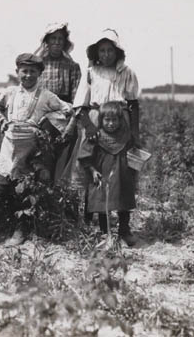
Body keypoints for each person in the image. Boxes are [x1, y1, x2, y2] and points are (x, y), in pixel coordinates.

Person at [0, 53, 72, 251]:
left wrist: (47, 122)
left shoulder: (46, 95)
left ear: (39, 74)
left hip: (31, 148)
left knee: (24, 188)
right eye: (24, 71)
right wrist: (2, 122)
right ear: (17, 72)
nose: (28, 75)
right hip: (9, 145)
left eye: (33, 72)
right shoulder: (10, 92)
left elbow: (67, 109)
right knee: (1, 187)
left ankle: (20, 229)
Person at [63, 28, 140, 246]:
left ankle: (124, 229)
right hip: (98, 121)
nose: (106, 54)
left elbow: (134, 104)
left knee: (123, 176)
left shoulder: (126, 73)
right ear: (96, 53)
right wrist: (89, 127)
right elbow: (80, 104)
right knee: (98, 175)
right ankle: (103, 229)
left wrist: (134, 133)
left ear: (117, 52)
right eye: (102, 50)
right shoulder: (91, 73)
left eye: (110, 50)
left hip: (120, 122)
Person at [77, 102, 136, 245]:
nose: (111, 124)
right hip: (102, 175)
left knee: (124, 201)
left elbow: (134, 151)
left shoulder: (125, 135)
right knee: (103, 203)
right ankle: (105, 233)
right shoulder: (96, 136)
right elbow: (85, 156)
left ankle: (124, 230)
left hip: (122, 175)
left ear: (120, 120)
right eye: (107, 120)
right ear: (101, 120)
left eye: (114, 120)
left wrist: (136, 162)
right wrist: (92, 171)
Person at [34, 22, 82, 183]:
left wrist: (71, 125)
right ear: (46, 42)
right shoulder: (38, 65)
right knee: (40, 157)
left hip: (64, 115)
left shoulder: (72, 66)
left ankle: (59, 194)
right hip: (40, 115)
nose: (56, 42)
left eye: (60, 39)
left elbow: (77, 99)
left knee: (63, 156)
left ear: (65, 42)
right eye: (53, 39)